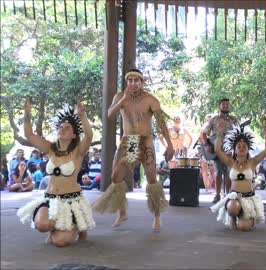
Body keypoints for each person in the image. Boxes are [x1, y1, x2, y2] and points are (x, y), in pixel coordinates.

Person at [92, 68, 174, 231]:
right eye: (130, 80)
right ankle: (122, 213)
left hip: (146, 140)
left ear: (142, 83)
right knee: (116, 177)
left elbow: (162, 123)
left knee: (151, 179)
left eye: (136, 80)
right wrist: (123, 99)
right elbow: (109, 114)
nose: (133, 83)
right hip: (130, 141)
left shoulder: (150, 99)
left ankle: (157, 216)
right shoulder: (120, 96)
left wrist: (170, 144)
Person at [17, 99, 95, 247]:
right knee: (41, 225)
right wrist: (27, 113)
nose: (62, 129)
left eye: (67, 127)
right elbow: (29, 135)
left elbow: (89, 136)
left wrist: (83, 116)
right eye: (60, 127)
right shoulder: (50, 148)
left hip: (70, 200)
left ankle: (78, 225)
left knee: (59, 241)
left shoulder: (78, 151)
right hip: (50, 198)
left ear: (73, 135)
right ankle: (59, 226)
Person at [210, 121, 266, 231]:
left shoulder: (253, 162)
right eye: (239, 146)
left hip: (248, 198)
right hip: (234, 198)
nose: (241, 148)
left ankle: (250, 218)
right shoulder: (230, 162)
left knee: (243, 228)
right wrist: (219, 132)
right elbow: (217, 150)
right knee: (232, 208)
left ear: (248, 149)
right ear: (235, 149)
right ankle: (233, 217)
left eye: (244, 146)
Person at [201, 99, 239, 203]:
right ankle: (217, 195)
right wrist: (207, 144)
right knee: (219, 172)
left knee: (228, 172)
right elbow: (204, 133)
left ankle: (228, 195)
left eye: (227, 104)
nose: (226, 106)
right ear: (220, 106)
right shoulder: (214, 119)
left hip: (229, 149)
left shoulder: (234, 120)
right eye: (223, 104)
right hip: (216, 148)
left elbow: (239, 132)